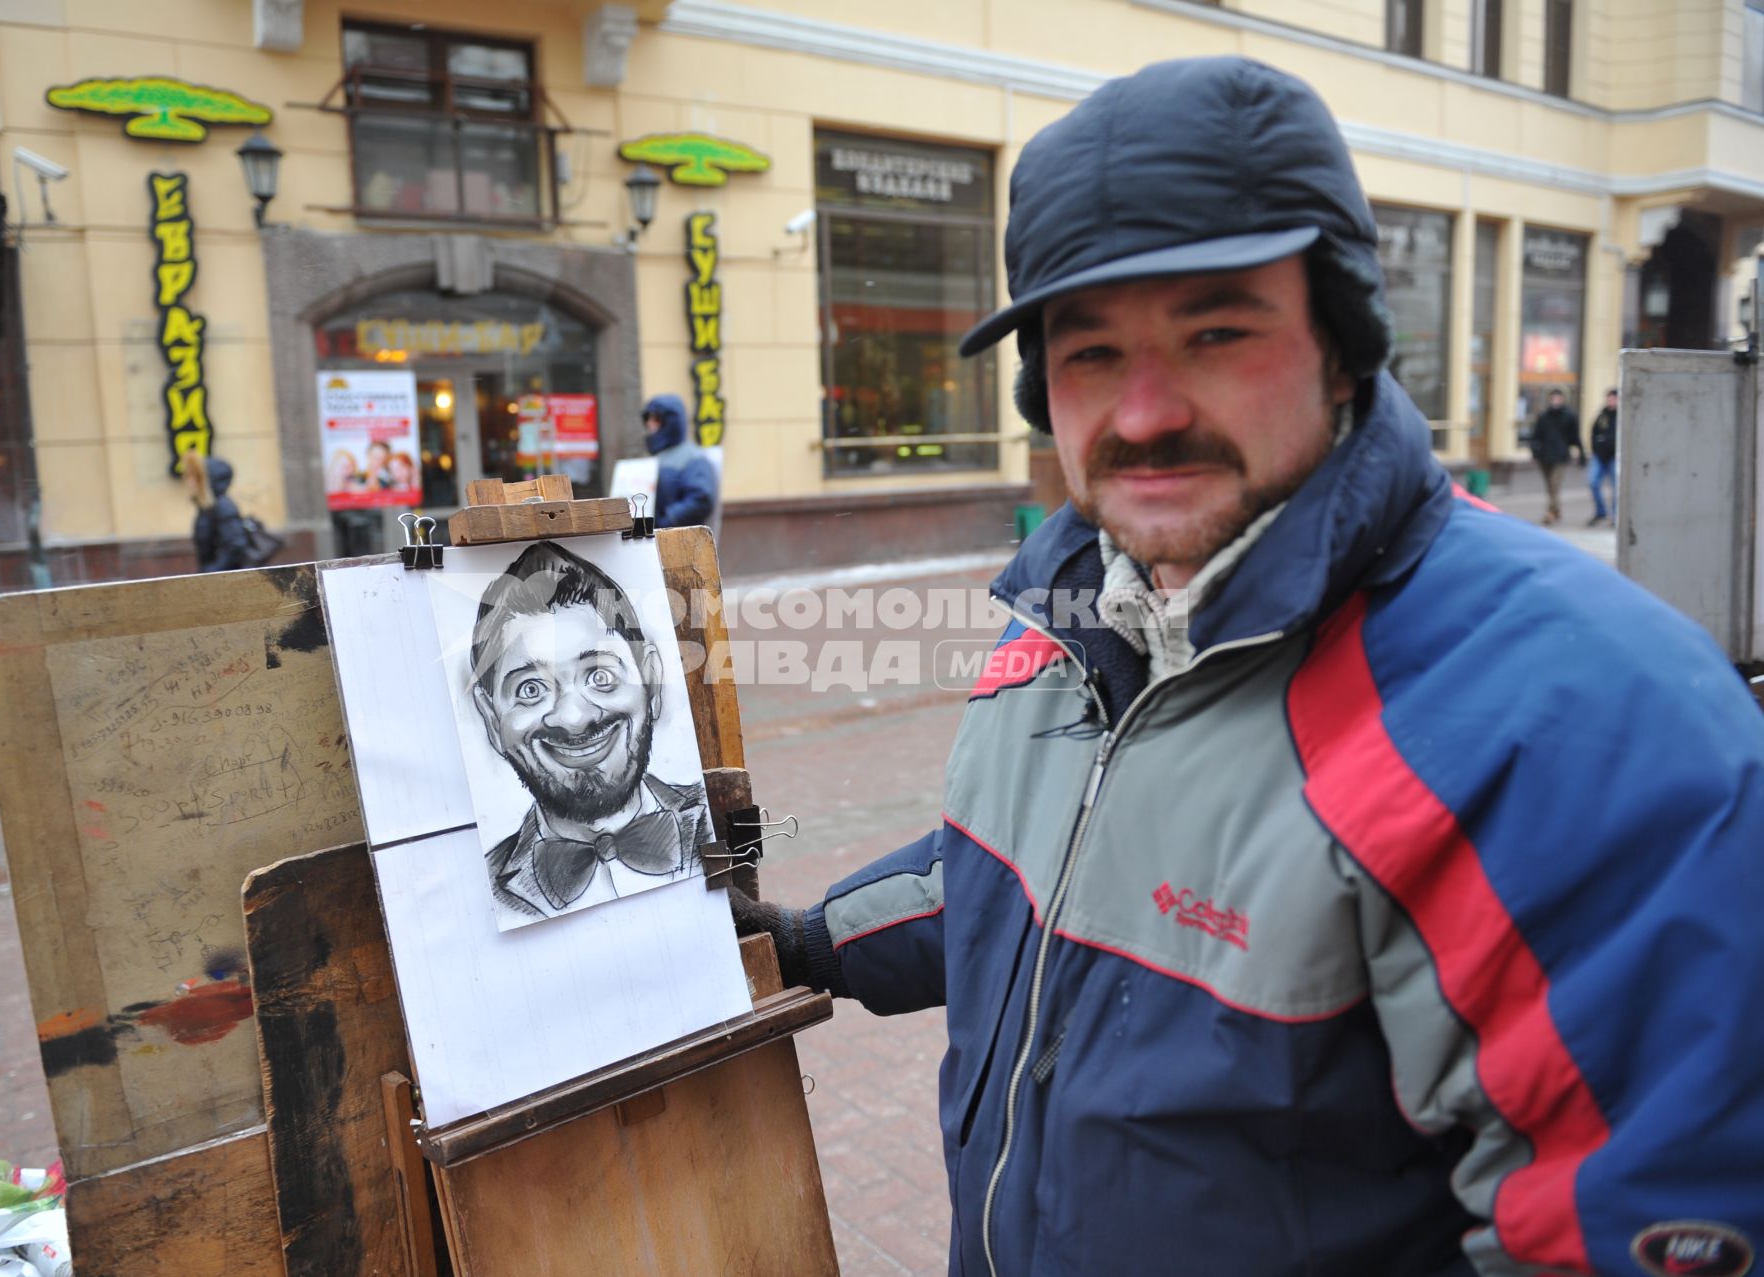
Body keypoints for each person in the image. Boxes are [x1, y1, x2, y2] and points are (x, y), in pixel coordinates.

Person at [735, 57, 1764, 1275]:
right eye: (1090, 352)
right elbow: (1019, 869)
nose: (1145, 411)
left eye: (1217, 329)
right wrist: (801, 943)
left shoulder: (1589, 719)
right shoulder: (1077, 613)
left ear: (1344, 341)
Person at [468, 541, 713, 923]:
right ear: (491, 720)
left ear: (650, 680)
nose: (574, 718)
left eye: (600, 676)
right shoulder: (478, 894)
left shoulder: (714, 823)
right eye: (531, 689)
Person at [642, 393, 718, 529]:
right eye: (648, 418)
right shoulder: (657, 457)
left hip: (681, 540)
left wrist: (668, 520)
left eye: (656, 419)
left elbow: (701, 498)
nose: (649, 423)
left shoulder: (692, 456)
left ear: (671, 421)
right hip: (656, 538)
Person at [1530, 387, 1584, 524]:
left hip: (1560, 457)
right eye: (1553, 398)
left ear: (1562, 399)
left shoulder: (1569, 416)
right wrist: (1535, 451)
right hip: (1544, 456)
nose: (1555, 401)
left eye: (1558, 398)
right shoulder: (1544, 416)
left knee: (1555, 485)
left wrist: (1581, 453)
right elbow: (1536, 435)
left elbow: (1575, 436)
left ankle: (1550, 513)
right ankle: (1556, 510)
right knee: (1549, 486)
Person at [190, 455, 250, 573]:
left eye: (195, 477)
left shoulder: (222, 506)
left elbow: (236, 545)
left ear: (207, 480)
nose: (189, 481)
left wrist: (211, 572)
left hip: (225, 580)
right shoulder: (207, 506)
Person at [1589, 386, 1619, 525]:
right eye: (1609, 399)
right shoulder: (1602, 416)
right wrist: (1596, 448)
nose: (1610, 402)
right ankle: (1601, 512)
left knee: (1616, 487)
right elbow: (1594, 433)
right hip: (1600, 456)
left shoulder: (1622, 416)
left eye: (1613, 399)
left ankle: (1614, 515)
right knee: (1593, 482)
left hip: (1615, 457)